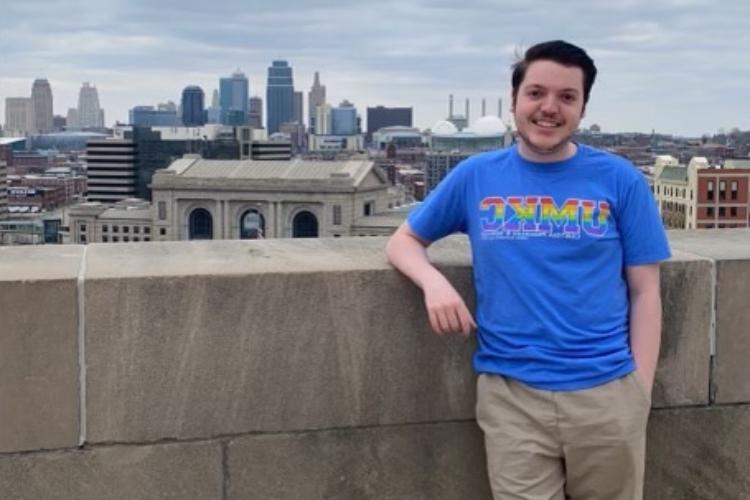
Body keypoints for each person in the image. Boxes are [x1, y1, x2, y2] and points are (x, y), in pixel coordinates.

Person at [385, 40, 670, 500]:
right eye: (536, 93)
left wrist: (638, 393)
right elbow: (403, 241)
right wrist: (433, 282)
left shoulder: (620, 180)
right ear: (514, 100)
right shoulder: (476, 175)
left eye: (567, 97)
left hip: (606, 393)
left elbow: (646, 292)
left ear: (583, 108)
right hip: (512, 397)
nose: (549, 108)